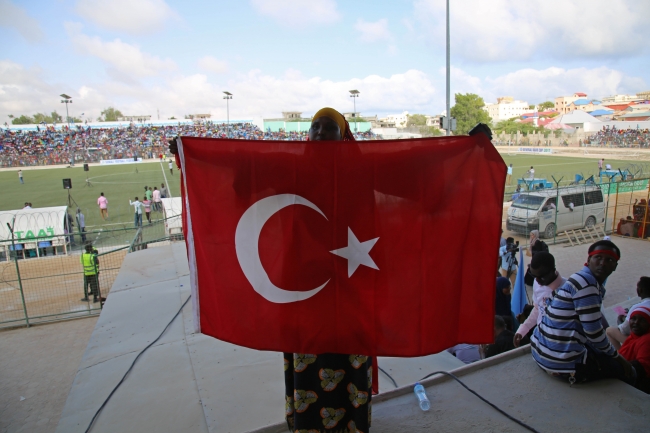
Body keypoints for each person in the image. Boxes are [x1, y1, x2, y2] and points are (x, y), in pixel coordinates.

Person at [530, 240, 636, 386]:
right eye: (598, 257)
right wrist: (618, 358)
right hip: (560, 365)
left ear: (615, 266)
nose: (603, 263)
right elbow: (594, 333)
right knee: (629, 371)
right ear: (589, 259)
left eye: (609, 260)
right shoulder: (587, 285)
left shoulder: (579, 278)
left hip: (540, 353)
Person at [514, 252, 565, 347]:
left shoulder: (568, 289)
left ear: (553, 270)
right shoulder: (537, 283)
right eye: (533, 276)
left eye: (541, 277)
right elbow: (538, 309)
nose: (537, 280)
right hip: (541, 340)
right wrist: (524, 328)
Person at [606, 277, 650, 350]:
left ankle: (621, 355)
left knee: (609, 330)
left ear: (640, 290)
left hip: (643, 343)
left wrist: (620, 320)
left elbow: (624, 330)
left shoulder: (637, 307)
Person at [619, 306, 650, 393]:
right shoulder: (634, 337)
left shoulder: (646, 340)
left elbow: (642, 367)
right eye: (633, 319)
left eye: (642, 320)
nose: (636, 322)